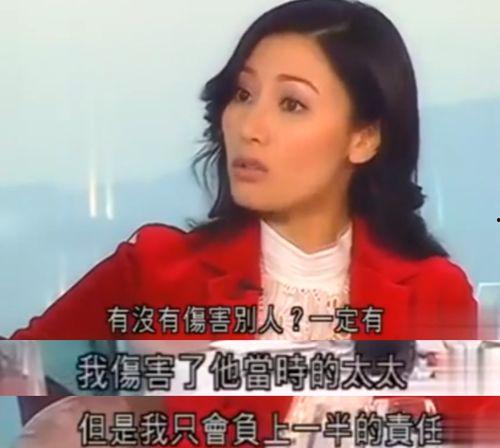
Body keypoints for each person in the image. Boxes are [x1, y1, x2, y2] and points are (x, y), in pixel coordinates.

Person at [8, 0, 480, 446]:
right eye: (243, 94)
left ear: (364, 138)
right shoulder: (159, 268)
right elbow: (25, 366)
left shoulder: (433, 291)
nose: (249, 127)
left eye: (291, 104)